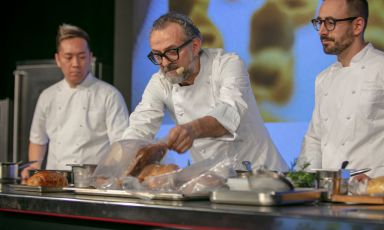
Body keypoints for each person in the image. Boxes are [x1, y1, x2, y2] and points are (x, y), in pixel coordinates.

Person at [123, 12, 288, 171]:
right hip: (213, 180)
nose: (165, 63)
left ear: (195, 46)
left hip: (262, 174)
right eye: (157, 55)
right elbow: (139, 127)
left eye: (172, 52)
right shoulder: (160, 82)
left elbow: (229, 113)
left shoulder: (227, 64)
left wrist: (192, 130)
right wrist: (118, 164)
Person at [21, 24, 130, 179]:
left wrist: (108, 173)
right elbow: (38, 140)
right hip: (54, 182)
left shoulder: (109, 95)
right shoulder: (47, 96)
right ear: (58, 59)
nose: (75, 64)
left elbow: (120, 145)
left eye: (82, 57)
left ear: (90, 58)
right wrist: (34, 168)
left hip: (93, 183)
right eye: (68, 57)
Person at [297, 0, 384, 179]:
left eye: (330, 23)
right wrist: (306, 183)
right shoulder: (324, 78)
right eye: (319, 22)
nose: (322, 31)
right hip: (333, 195)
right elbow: (314, 139)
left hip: (375, 196)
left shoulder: (380, 68)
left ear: (357, 25)